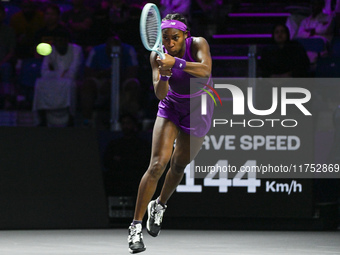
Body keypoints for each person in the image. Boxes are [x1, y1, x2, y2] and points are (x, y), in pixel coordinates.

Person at [127, 13, 213, 254]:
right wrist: (164, 74)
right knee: (157, 165)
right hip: (171, 108)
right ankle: (135, 227)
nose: (170, 43)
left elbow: (205, 70)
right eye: (165, 38)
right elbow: (160, 94)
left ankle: (160, 205)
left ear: (185, 35)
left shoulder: (198, 44)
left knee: (179, 164)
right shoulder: (157, 55)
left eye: (175, 38)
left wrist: (177, 64)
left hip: (199, 109)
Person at [80, 33, 138, 126]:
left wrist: (115, 80)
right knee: (87, 84)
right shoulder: (96, 51)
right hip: (101, 80)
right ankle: (88, 120)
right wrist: (104, 74)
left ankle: (131, 121)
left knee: (133, 84)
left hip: (122, 80)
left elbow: (132, 73)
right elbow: (87, 72)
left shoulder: (129, 50)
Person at [32, 28, 83, 126]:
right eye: (57, 40)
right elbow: (43, 72)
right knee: (40, 83)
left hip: (72, 82)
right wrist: (62, 73)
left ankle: (70, 116)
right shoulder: (51, 49)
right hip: (53, 81)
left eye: (62, 40)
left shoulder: (77, 50)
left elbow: (73, 73)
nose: (59, 43)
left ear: (67, 41)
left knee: (69, 85)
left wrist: (55, 73)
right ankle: (42, 117)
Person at [0, 3, 16, 96]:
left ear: (4, 15)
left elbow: (11, 51)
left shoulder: (9, 31)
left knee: (6, 67)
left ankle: (6, 98)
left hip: (3, 63)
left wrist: (1, 62)